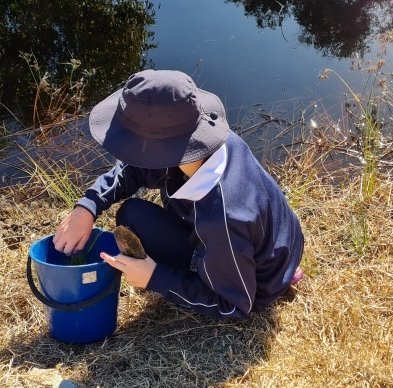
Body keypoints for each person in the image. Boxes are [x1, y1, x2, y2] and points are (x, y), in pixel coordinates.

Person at [52, 69, 305, 319]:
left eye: (130, 144)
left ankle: (271, 275)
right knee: (131, 214)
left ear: (158, 149)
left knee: (140, 223)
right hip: (278, 242)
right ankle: (261, 261)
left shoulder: (223, 218)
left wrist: (156, 278)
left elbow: (234, 305)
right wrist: (87, 206)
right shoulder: (201, 138)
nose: (123, 152)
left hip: (255, 284)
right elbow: (133, 171)